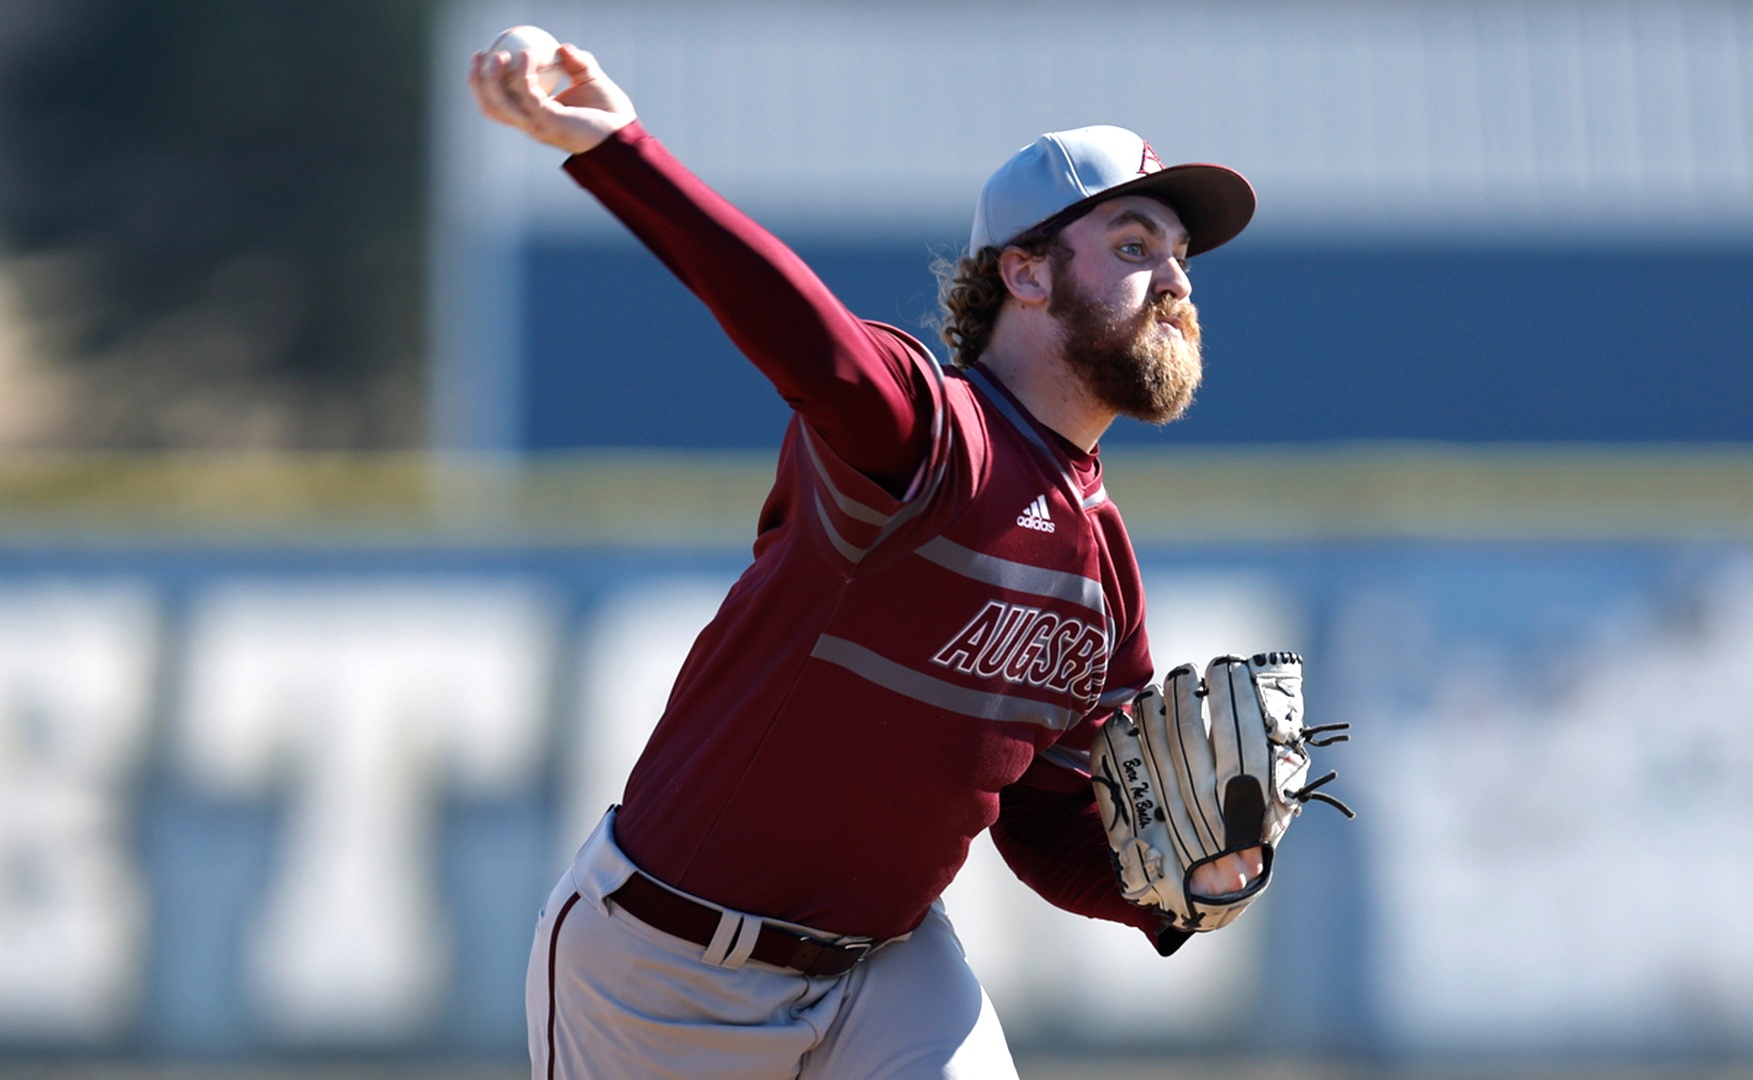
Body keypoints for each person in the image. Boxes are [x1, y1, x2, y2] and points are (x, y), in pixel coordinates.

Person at [471, 35, 1260, 1080]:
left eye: (1179, 258)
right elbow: (805, 335)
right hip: (664, 967)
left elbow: (1046, 825)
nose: (1173, 280)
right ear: (1023, 271)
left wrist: (1186, 886)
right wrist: (619, 150)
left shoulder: (1103, 567)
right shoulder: (927, 431)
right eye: (1131, 245)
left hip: (887, 970)